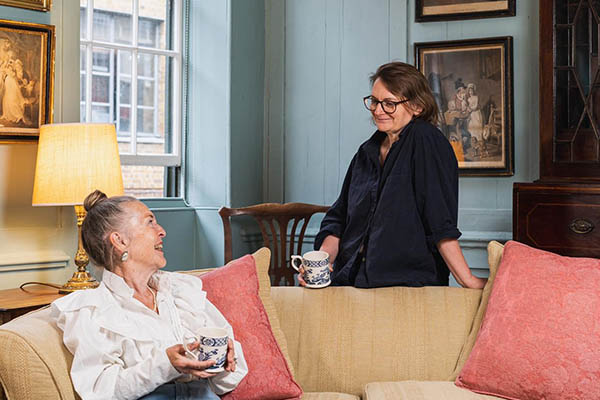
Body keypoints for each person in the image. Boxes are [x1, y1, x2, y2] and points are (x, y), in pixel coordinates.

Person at [51, 190, 248, 400]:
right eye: (150, 222)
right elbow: (101, 392)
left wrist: (225, 362)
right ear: (120, 241)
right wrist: (166, 365)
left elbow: (227, 382)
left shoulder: (180, 291)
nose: (162, 231)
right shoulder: (94, 310)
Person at [306, 62, 486, 289]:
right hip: (349, 279)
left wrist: (466, 279)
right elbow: (339, 217)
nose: (377, 110)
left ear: (417, 107)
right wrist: (321, 264)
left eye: (389, 104)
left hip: (405, 282)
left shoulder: (425, 139)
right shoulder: (365, 152)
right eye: (374, 101)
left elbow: (439, 219)